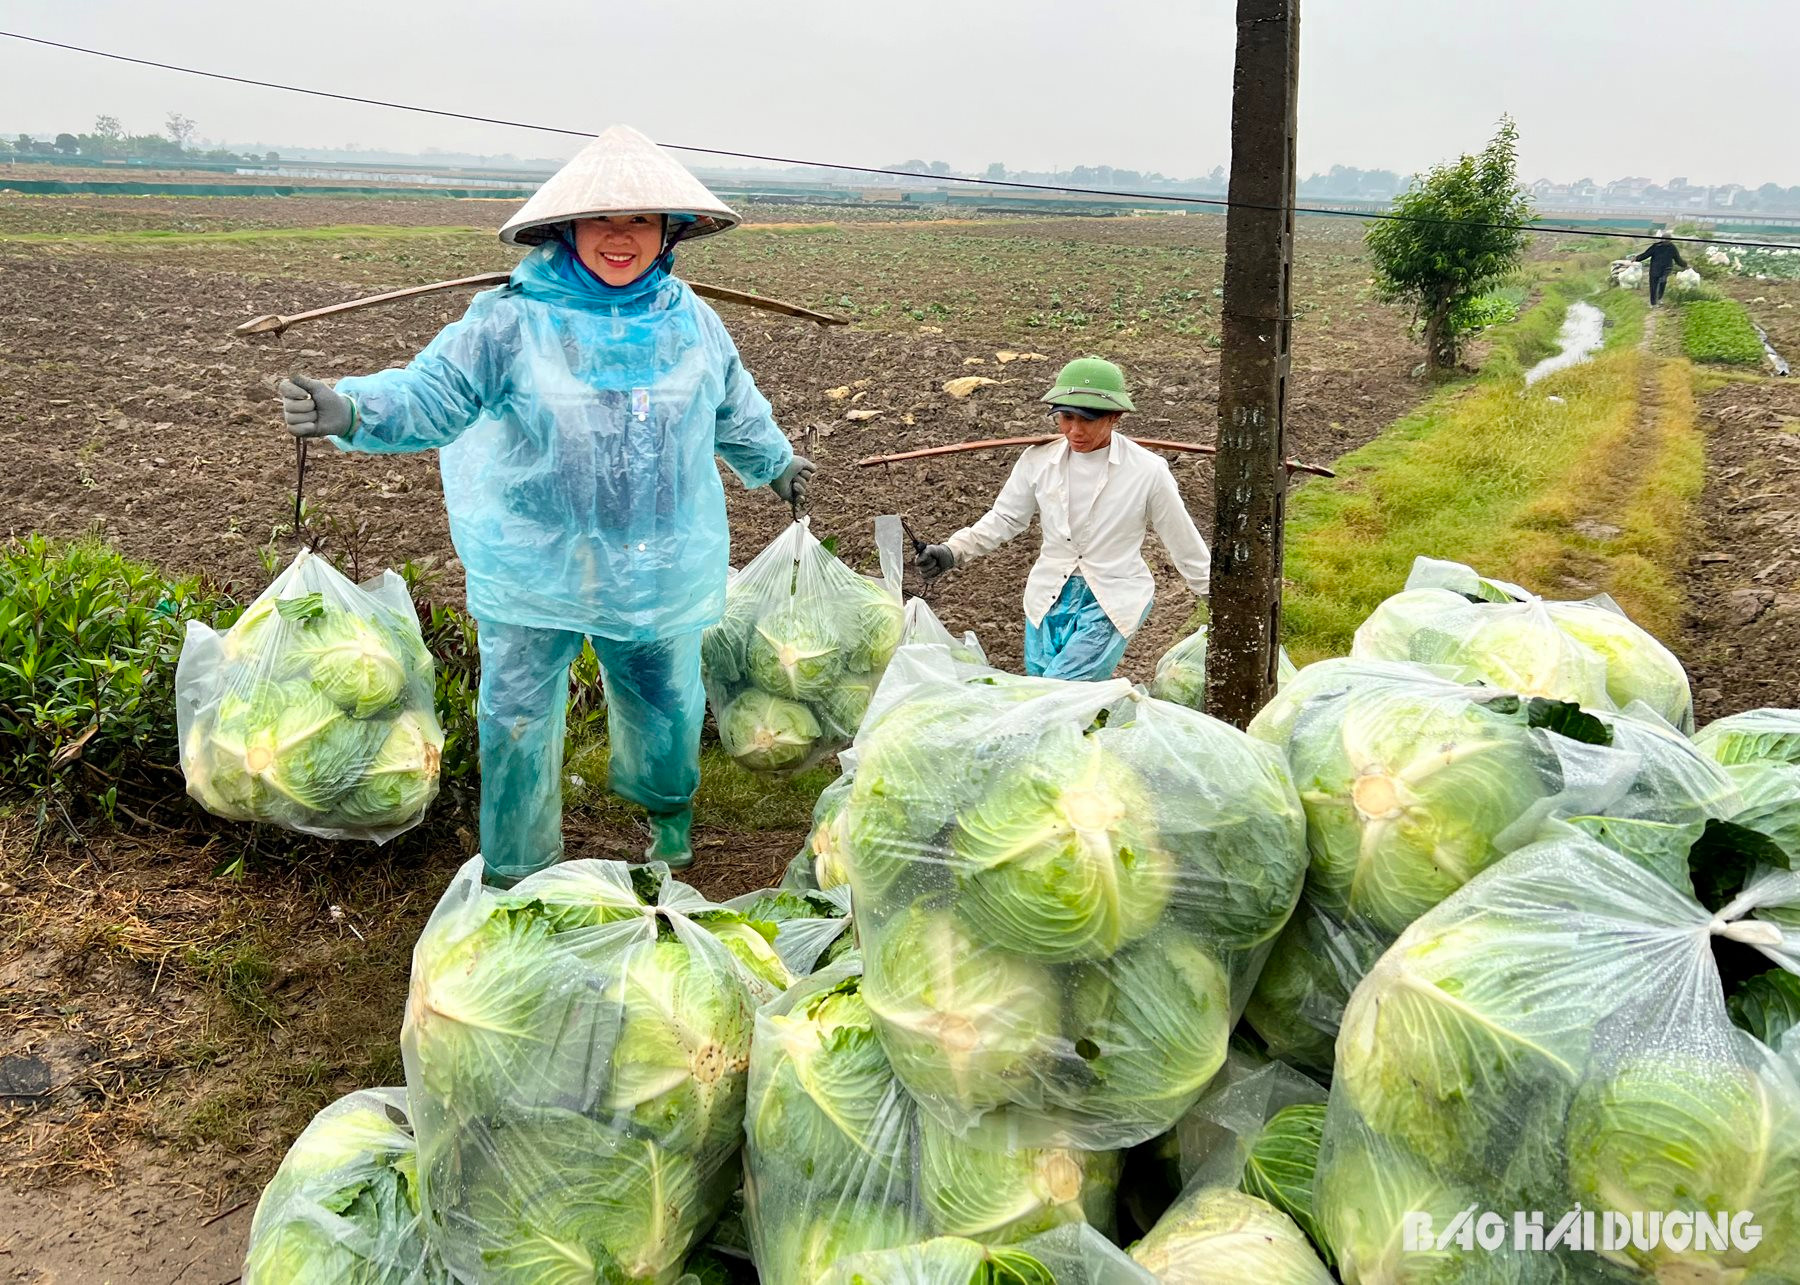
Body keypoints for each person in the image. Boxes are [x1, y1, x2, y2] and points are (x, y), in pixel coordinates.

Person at [277, 125, 813, 882]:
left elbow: (735, 410)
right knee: (518, 714)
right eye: (602, 220)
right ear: (567, 228)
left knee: (664, 702)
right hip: (534, 560)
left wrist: (778, 463)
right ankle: (517, 869)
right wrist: (354, 408)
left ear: (669, 233)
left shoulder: (692, 320)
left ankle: (667, 817)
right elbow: (435, 393)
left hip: (655, 559)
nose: (620, 237)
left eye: (640, 221)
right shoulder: (509, 319)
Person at [915, 357, 1210, 681]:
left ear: (1115, 417)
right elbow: (1005, 518)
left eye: (1087, 420)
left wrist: (1213, 593)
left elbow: (1181, 538)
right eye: (1066, 418)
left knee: (1055, 694)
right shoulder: (1039, 460)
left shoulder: (1147, 471)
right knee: (1051, 695)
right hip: (1048, 596)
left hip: (1111, 598)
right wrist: (952, 551)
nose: (1074, 430)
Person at [1634, 230, 1689, 307]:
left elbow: (1678, 259)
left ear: (1670, 240)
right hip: (1655, 268)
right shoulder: (1656, 246)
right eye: (1664, 239)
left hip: (1666, 268)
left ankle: (1659, 298)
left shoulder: (1672, 247)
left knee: (1663, 282)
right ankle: (1653, 303)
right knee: (1653, 285)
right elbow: (1646, 254)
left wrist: (1685, 265)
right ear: (1661, 239)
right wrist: (1637, 258)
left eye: (1667, 240)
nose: (1665, 241)